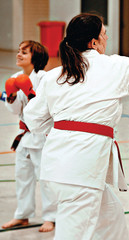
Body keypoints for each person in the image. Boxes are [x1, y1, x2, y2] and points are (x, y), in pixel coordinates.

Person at [23, 13, 129, 240]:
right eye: (104, 34)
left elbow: (33, 119)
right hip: (81, 170)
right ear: (93, 42)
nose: (107, 38)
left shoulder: (54, 76)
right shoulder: (113, 66)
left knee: (112, 219)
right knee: (73, 234)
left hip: (61, 166)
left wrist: (62, 126)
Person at [2, 40, 56, 232]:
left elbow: (47, 109)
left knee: (46, 178)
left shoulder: (45, 78)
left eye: (24, 52)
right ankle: (22, 215)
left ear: (36, 57)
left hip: (43, 136)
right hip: (24, 136)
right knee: (22, 176)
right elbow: (15, 110)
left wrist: (30, 93)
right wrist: (11, 96)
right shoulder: (15, 77)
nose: (19, 54)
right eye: (18, 51)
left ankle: (51, 217)